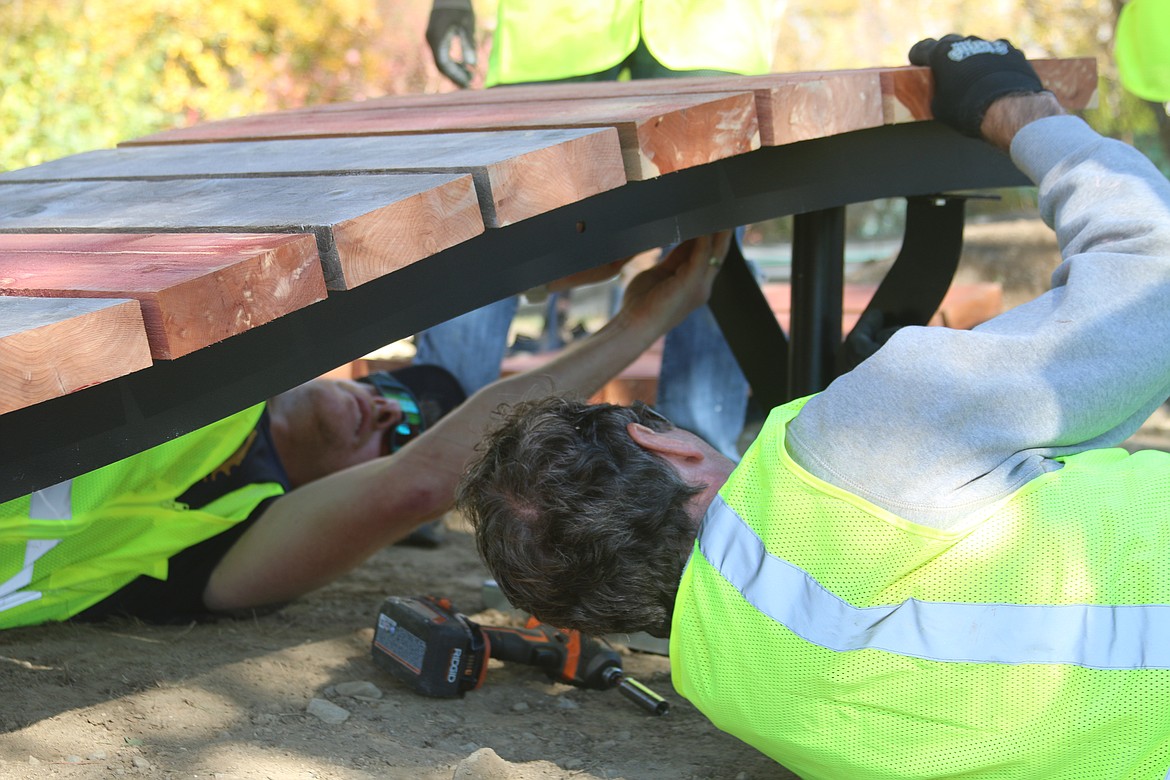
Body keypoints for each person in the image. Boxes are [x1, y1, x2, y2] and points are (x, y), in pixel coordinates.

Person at [459, 35, 1170, 779]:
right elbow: (1150, 273)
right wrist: (1013, 105)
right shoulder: (863, 441)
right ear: (670, 449)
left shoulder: (735, 696)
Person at [0, 232, 731, 630]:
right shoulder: (219, 351)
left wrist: (641, 321)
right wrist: (535, 260)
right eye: (390, 391)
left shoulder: (226, 545)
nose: (384, 410)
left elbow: (412, 487)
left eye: (402, 429)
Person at [420, 0, 781, 460]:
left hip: (711, 33)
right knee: (490, 242)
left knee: (710, 250)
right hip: (552, 35)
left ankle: (698, 471)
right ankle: (432, 453)